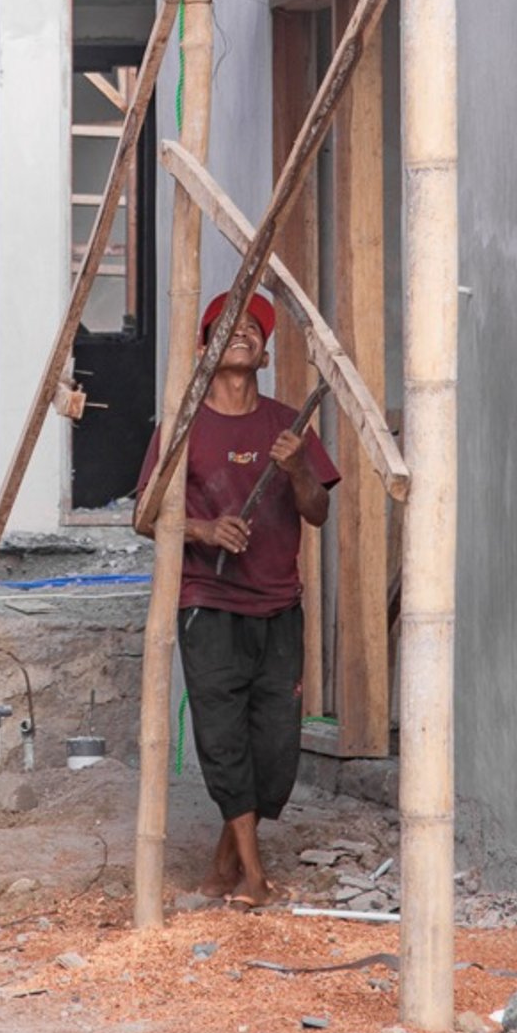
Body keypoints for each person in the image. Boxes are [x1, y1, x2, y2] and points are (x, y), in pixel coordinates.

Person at [134, 291, 338, 909]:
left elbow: (319, 512)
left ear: (266, 353)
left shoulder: (287, 426)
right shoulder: (181, 424)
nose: (242, 332)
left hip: (279, 601)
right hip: (209, 599)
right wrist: (203, 529)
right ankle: (253, 874)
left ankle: (222, 868)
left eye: (253, 327)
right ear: (205, 347)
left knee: (274, 747)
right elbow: (144, 515)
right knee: (223, 737)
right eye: (226, 325)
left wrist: (297, 468)